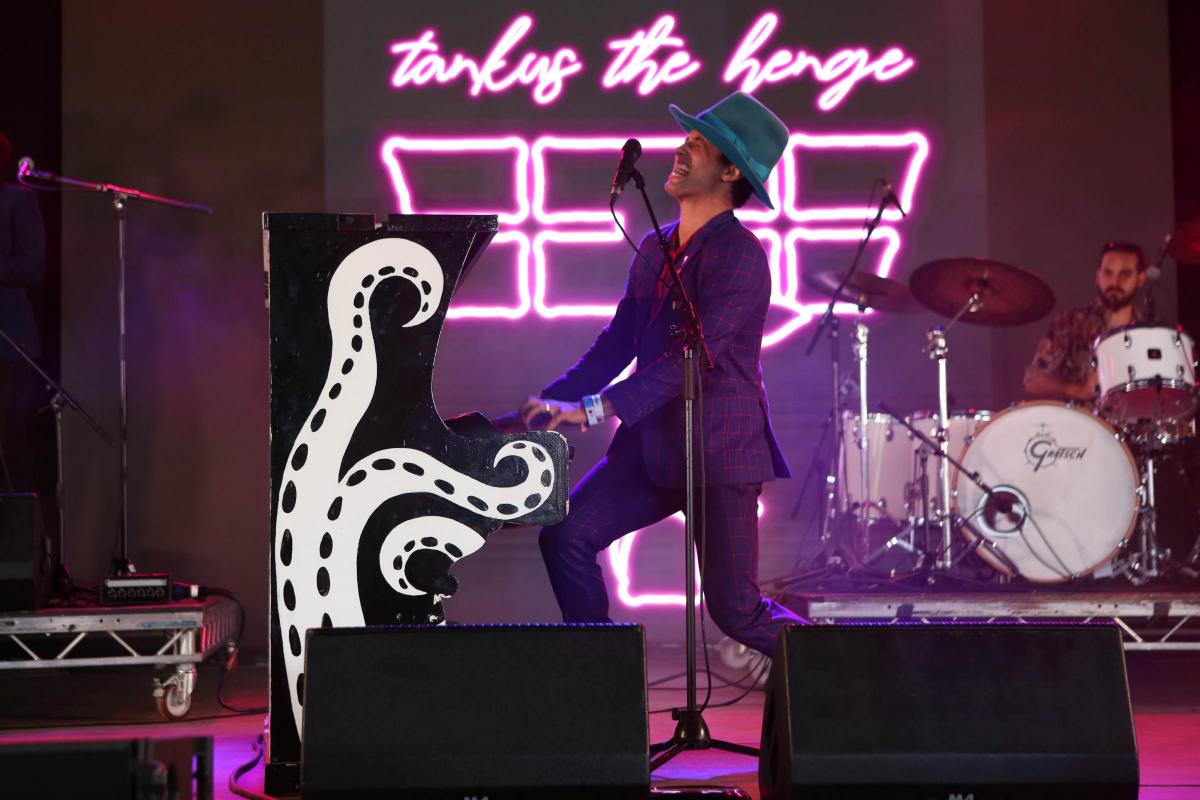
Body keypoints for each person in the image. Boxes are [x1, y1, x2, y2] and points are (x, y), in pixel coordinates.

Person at [519, 91, 803, 657]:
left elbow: (693, 361)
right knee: (567, 537)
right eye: (686, 139)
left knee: (736, 612)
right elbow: (615, 344)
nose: (679, 150)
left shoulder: (741, 255)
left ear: (729, 170)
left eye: (697, 144)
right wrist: (553, 400)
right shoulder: (654, 247)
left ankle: (850, 672)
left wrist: (595, 409)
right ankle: (605, 686)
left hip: (720, 453)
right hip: (652, 451)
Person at [1023, 241, 1146, 405]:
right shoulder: (1071, 322)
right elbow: (1033, 380)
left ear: (1140, 278)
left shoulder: (1151, 331)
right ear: (1097, 276)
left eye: (1124, 274)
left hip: (1134, 426)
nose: (1115, 282)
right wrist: (1078, 390)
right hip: (1080, 425)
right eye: (1108, 273)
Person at [0, 133, 46, 490]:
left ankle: (19, 542)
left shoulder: (17, 199)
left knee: (11, 446)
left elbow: (33, 267)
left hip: (8, 343)